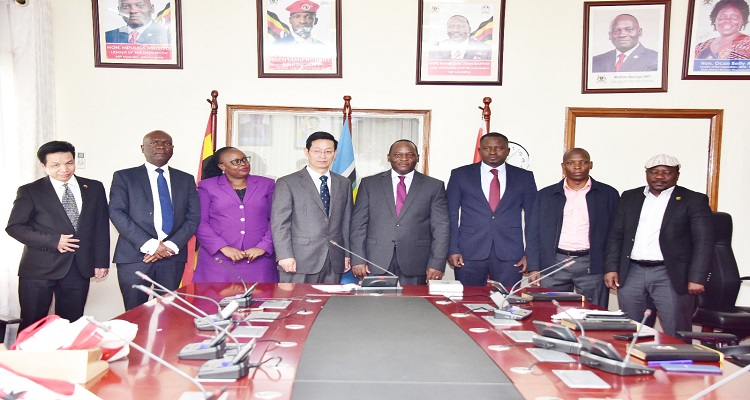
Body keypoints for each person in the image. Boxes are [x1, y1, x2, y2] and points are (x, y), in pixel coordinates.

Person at [604, 154, 714, 336]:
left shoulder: (694, 200)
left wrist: (697, 277)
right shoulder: (630, 197)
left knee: (676, 331)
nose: (659, 177)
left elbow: (703, 241)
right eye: (654, 172)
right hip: (632, 272)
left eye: (666, 172)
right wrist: (611, 268)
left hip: (670, 275)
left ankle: (680, 364)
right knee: (631, 330)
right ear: (647, 174)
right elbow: (616, 235)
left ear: (677, 175)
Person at [6, 141, 109, 330]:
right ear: (43, 166)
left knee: (71, 325)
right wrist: (53, 241)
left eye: (69, 163)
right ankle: (28, 360)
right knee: (33, 325)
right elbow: (14, 227)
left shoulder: (94, 188)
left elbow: (100, 226)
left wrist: (101, 261)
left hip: (78, 268)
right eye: (56, 165)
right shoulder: (30, 191)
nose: (64, 169)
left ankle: (66, 360)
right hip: (38, 270)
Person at [109, 130, 200, 310]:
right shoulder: (124, 177)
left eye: (166, 143)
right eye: (154, 143)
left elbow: (193, 216)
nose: (160, 146)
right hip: (135, 256)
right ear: (143, 148)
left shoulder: (186, 179)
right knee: (135, 312)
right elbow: (117, 212)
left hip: (172, 257)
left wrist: (170, 247)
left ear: (172, 149)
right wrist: (151, 245)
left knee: (168, 312)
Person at [525, 148, 619, 308]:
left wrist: (611, 267)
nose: (577, 167)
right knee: (549, 312)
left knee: (593, 314)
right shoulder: (546, 195)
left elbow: (615, 235)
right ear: (563, 166)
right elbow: (533, 232)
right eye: (571, 163)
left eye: (583, 162)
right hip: (554, 263)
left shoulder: (608, 194)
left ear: (591, 165)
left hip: (592, 264)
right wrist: (534, 266)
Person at [350, 140, 450, 285]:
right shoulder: (369, 184)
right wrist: (358, 259)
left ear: (417, 158)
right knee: (374, 306)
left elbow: (441, 228)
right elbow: (358, 224)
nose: (404, 159)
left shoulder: (434, 186)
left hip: (416, 261)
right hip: (375, 261)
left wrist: (437, 262)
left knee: (413, 306)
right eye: (398, 155)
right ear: (388, 157)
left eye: (410, 155)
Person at [446, 132, 537, 288]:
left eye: (499, 148)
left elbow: (533, 219)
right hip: (468, 252)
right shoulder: (460, 175)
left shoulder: (524, 177)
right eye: (487, 148)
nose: (493, 152)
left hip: (510, 253)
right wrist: (452, 249)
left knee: (506, 303)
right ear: (480, 150)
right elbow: (450, 215)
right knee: (468, 302)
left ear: (508, 151)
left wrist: (530, 255)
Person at [271, 131, 352, 284]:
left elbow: (346, 221)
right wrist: (284, 255)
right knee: (297, 303)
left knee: (330, 304)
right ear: (306, 152)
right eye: (317, 151)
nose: (323, 156)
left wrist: (346, 253)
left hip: (334, 259)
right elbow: (280, 223)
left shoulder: (344, 183)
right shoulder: (287, 183)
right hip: (298, 259)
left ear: (335, 153)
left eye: (328, 151)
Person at [194, 147, 278, 283]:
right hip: (219, 259)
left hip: (258, 258)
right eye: (236, 162)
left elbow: (276, 220)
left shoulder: (267, 184)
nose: (243, 164)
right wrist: (223, 247)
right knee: (215, 302)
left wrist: (263, 246)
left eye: (245, 159)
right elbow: (200, 223)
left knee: (261, 301)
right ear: (222, 166)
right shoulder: (207, 186)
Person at [591, 14, 659, 72]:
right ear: (609, 35)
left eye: (629, 30)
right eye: (616, 31)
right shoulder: (595, 61)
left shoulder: (656, 58)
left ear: (640, 32)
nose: (622, 35)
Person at [105, 0, 170, 44]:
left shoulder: (168, 35)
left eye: (140, 5)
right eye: (126, 6)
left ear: (152, 8)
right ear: (119, 10)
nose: (133, 11)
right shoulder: (107, 37)